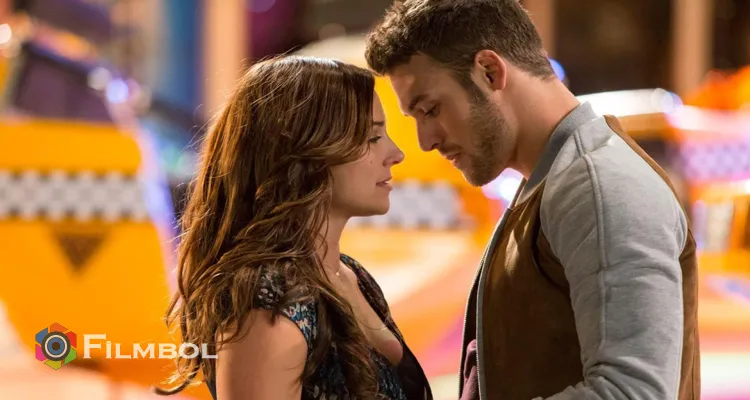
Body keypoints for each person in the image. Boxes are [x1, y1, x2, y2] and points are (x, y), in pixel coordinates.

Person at [364, 1, 700, 399]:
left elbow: (633, 392)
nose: (426, 140)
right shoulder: (556, 177)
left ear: (489, 71)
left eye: (431, 109)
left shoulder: (599, 186)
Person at [155, 56, 433, 400]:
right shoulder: (269, 300)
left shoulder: (350, 274)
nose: (397, 153)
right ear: (307, 151)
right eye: (372, 137)